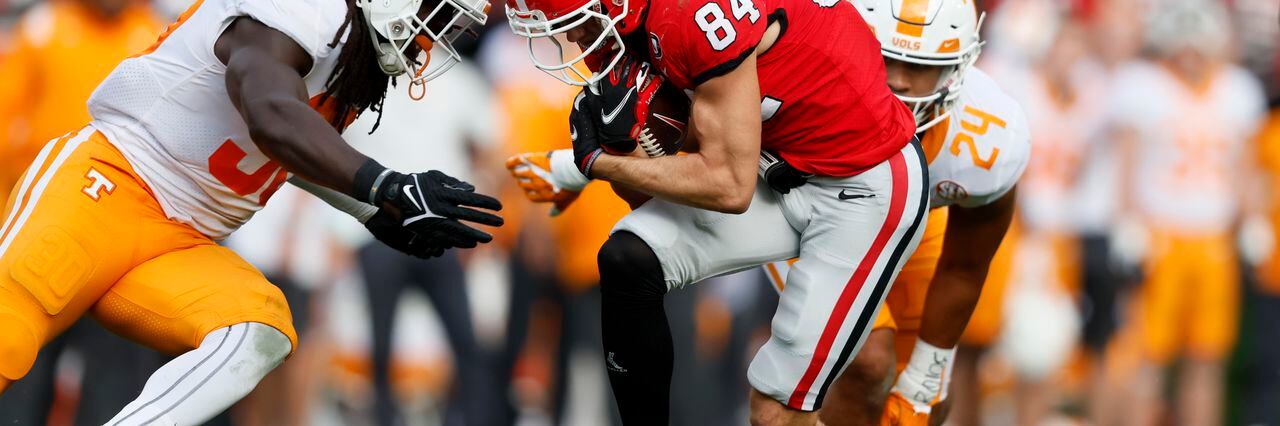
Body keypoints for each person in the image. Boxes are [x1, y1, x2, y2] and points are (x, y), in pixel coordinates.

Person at [0, 0, 504, 423]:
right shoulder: (309, 7)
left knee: (257, 331)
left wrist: (371, 210)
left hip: (185, 242)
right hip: (111, 186)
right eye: (436, 12)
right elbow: (268, 111)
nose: (432, 35)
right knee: (8, 336)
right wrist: (382, 186)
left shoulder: (352, 44)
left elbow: (279, 147)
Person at [504, 0, 927, 422]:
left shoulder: (689, 14)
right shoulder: (624, 25)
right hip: (773, 168)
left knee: (774, 412)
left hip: (859, 185)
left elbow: (728, 186)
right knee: (629, 257)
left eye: (577, 21)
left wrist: (595, 163)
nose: (573, 37)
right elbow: (649, 200)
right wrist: (621, 145)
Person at [759, 0, 1028, 424]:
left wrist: (928, 376)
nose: (900, 83)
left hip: (915, 218)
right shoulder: (804, 74)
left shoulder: (989, 138)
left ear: (958, 67)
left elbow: (965, 266)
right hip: (808, 205)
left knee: (923, 397)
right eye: (885, 58)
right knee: (866, 360)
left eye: (921, 66)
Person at [1110, 0, 1266, 424]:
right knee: (1147, 357)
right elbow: (1126, 160)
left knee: (1207, 357)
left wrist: (1252, 220)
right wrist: (1127, 221)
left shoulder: (1237, 90)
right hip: (1161, 235)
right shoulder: (1143, 86)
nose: (1191, 51)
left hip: (1213, 240)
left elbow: (1246, 166)